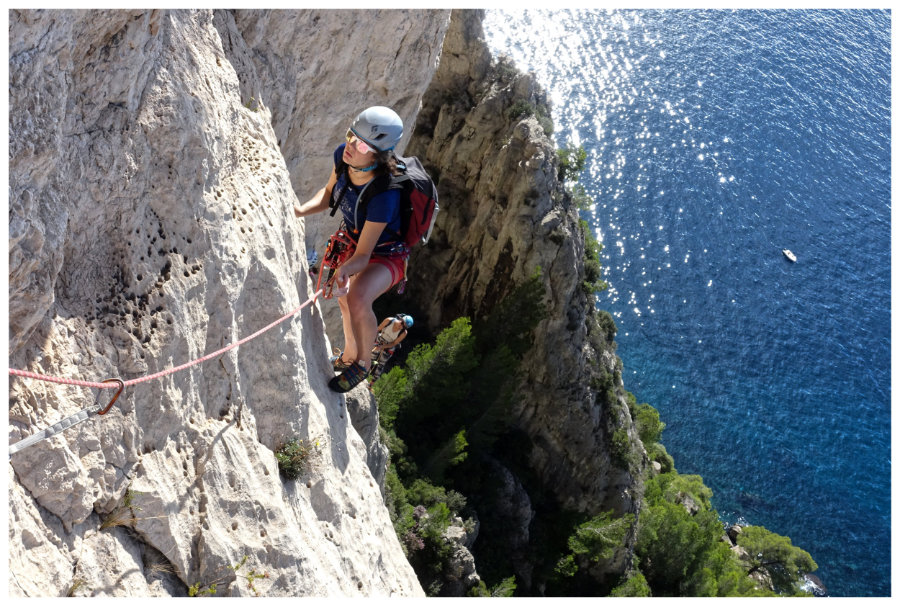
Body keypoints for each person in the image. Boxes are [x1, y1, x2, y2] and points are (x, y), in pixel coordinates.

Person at [294, 106, 408, 393]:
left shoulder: (385, 195)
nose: (351, 146)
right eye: (350, 136)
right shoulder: (342, 158)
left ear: (379, 156)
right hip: (356, 242)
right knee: (344, 302)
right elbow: (328, 195)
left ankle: (362, 365)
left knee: (357, 297)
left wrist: (345, 269)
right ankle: (346, 357)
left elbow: (364, 257)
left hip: (387, 254)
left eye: (362, 144)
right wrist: (297, 210)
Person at [369, 314, 413, 384]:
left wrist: (381, 347)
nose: (401, 327)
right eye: (402, 323)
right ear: (401, 319)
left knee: (381, 365)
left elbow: (394, 343)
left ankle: (371, 383)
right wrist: (375, 342)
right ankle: (364, 373)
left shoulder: (404, 333)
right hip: (380, 340)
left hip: (389, 347)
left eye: (404, 327)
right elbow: (378, 329)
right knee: (371, 358)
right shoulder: (389, 321)